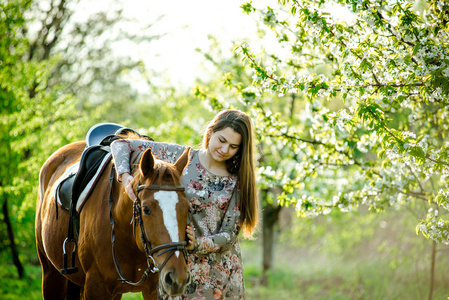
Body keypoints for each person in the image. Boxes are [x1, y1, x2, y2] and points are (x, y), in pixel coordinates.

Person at [110, 109, 259, 299]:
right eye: (221, 140)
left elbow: (230, 234)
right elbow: (121, 143)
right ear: (211, 132)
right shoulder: (180, 156)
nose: (224, 150)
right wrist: (124, 177)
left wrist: (197, 243)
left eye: (233, 146)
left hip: (218, 275)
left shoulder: (236, 180)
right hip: (177, 265)